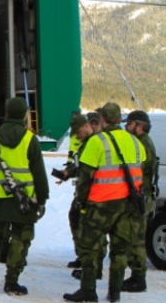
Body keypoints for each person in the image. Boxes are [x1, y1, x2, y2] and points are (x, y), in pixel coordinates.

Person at [64, 103, 146, 303]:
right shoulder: (135, 142)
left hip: (100, 203)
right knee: (120, 250)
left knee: (90, 248)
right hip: (127, 204)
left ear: (102, 119)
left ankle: (88, 290)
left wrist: (82, 203)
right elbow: (142, 169)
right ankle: (114, 292)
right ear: (119, 119)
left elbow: (85, 179)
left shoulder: (97, 142)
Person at [0, 97, 48, 296]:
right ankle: (11, 282)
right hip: (23, 201)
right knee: (19, 240)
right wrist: (42, 198)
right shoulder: (29, 139)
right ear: (25, 115)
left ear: (6, 113)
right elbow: (39, 172)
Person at [53, 112, 106, 275]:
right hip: (86, 192)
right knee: (77, 220)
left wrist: (83, 198)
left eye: (78, 132)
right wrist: (68, 172)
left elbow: (92, 170)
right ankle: (84, 257)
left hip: (95, 193)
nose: (77, 136)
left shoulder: (96, 142)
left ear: (86, 126)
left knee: (94, 230)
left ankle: (94, 265)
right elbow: (82, 167)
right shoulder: (86, 143)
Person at [121, 110, 157, 293]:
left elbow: (138, 170)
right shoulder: (141, 143)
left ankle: (138, 278)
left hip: (140, 196)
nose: (126, 126)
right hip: (140, 195)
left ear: (140, 125)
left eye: (129, 123)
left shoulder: (143, 145)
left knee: (136, 238)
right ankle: (136, 276)